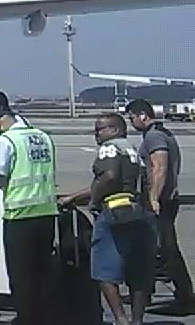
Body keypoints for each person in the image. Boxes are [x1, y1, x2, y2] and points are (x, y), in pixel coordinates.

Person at [60, 113, 157, 325]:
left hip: (114, 214)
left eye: (100, 129)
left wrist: (93, 201)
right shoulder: (132, 150)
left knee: (103, 269)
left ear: (114, 130)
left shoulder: (110, 147)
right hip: (139, 213)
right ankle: (137, 320)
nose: (96, 134)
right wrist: (75, 196)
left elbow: (109, 178)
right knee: (138, 271)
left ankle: (120, 319)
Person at [0, 109, 59, 324]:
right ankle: (44, 316)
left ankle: (26, 318)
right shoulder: (43, 136)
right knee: (43, 271)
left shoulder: (7, 139)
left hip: (19, 216)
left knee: (21, 274)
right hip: (47, 213)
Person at [126, 99, 194, 315]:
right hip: (166, 199)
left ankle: (185, 296)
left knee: (166, 250)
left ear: (142, 115)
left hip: (160, 201)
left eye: (132, 118)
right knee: (154, 249)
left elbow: (160, 166)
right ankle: (144, 293)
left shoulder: (154, 136)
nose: (131, 122)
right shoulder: (162, 133)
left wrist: (153, 197)